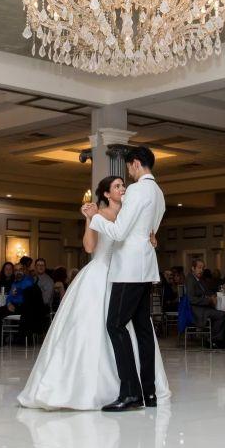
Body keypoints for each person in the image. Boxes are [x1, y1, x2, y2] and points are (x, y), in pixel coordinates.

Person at [19, 174, 170, 410]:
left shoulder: (132, 213)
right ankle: (98, 387)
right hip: (100, 275)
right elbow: (89, 247)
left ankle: (140, 388)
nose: (123, 188)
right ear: (107, 194)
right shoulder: (99, 214)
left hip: (127, 277)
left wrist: (152, 240)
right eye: (117, 186)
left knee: (131, 328)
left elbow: (142, 239)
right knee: (95, 328)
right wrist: (90, 219)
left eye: (123, 185)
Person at [85, 145, 167, 412]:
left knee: (115, 325)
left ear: (136, 164)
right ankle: (149, 394)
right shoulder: (158, 192)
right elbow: (151, 231)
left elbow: (119, 233)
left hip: (129, 269)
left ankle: (130, 392)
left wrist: (94, 218)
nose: (129, 174)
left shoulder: (137, 190)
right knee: (143, 329)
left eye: (129, 167)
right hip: (146, 268)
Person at [185, 258, 225, 347]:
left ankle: (217, 339)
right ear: (193, 268)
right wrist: (208, 300)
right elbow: (191, 299)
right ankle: (213, 340)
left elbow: (207, 291)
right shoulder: (190, 280)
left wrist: (213, 295)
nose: (201, 270)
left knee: (223, 313)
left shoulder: (200, 279)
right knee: (222, 315)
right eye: (199, 268)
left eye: (203, 268)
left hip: (203, 308)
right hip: (196, 310)